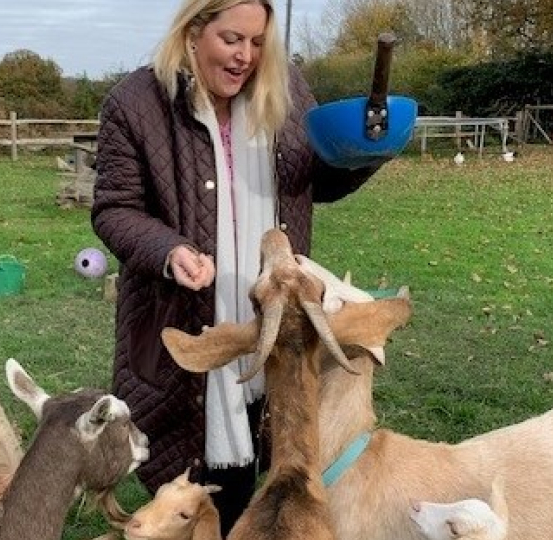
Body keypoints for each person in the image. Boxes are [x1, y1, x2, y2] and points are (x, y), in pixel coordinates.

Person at [91, 0, 388, 533]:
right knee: (191, 482)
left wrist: (364, 151)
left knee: (274, 466)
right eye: (232, 40)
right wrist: (168, 250)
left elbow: (316, 180)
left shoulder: (289, 90)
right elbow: (114, 208)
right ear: (193, 32)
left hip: (276, 319)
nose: (246, 57)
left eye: (257, 42)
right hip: (182, 316)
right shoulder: (135, 104)